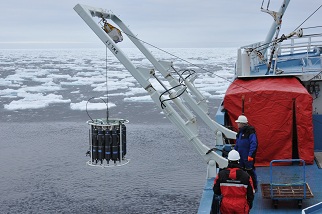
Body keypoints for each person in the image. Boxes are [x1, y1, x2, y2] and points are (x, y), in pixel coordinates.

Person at [212, 150, 254, 214]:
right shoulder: (246, 176)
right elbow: (251, 194)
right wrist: (249, 205)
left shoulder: (221, 175)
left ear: (228, 160)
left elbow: (216, 190)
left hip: (226, 205)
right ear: (238, 161)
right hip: (241, 206)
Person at [234, 115, 258, 192]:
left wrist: (250, 155)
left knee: (250, 171)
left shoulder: (250, 132)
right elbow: (237, 145)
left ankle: (254, 187)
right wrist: (235, 152)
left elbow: (253, 144)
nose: (237, 124)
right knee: (241, 172)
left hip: (247, 157)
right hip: (241, 157)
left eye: (238, 123)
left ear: (242, 123)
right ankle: (243, 186)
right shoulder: (240, 133)